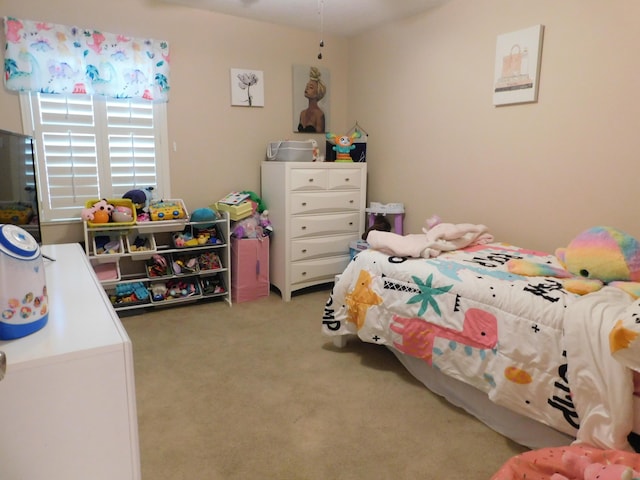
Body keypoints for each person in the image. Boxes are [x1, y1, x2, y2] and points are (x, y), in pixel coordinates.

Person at [298, 66, 326, 133]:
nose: (307, 88)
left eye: (310, 87)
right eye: (307, 86)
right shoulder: (302, 113)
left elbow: (320, 137)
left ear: (317, 93)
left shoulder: (319, 115)